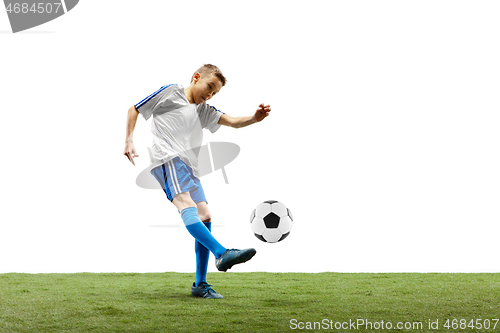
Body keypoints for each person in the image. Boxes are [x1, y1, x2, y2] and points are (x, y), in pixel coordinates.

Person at [123, 64, 271, 299]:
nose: (209, 94)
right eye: (209, 87)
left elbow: (232, 121)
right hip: (168, 159)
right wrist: (129, 140)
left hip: (190, 169)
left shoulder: (203, 110)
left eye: (214, 93)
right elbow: (135, 108)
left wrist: (254, 118)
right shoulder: (171, 92)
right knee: (186, 206)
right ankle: (221, 252)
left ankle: (200, 285)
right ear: (196, 77)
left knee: (205, 217)